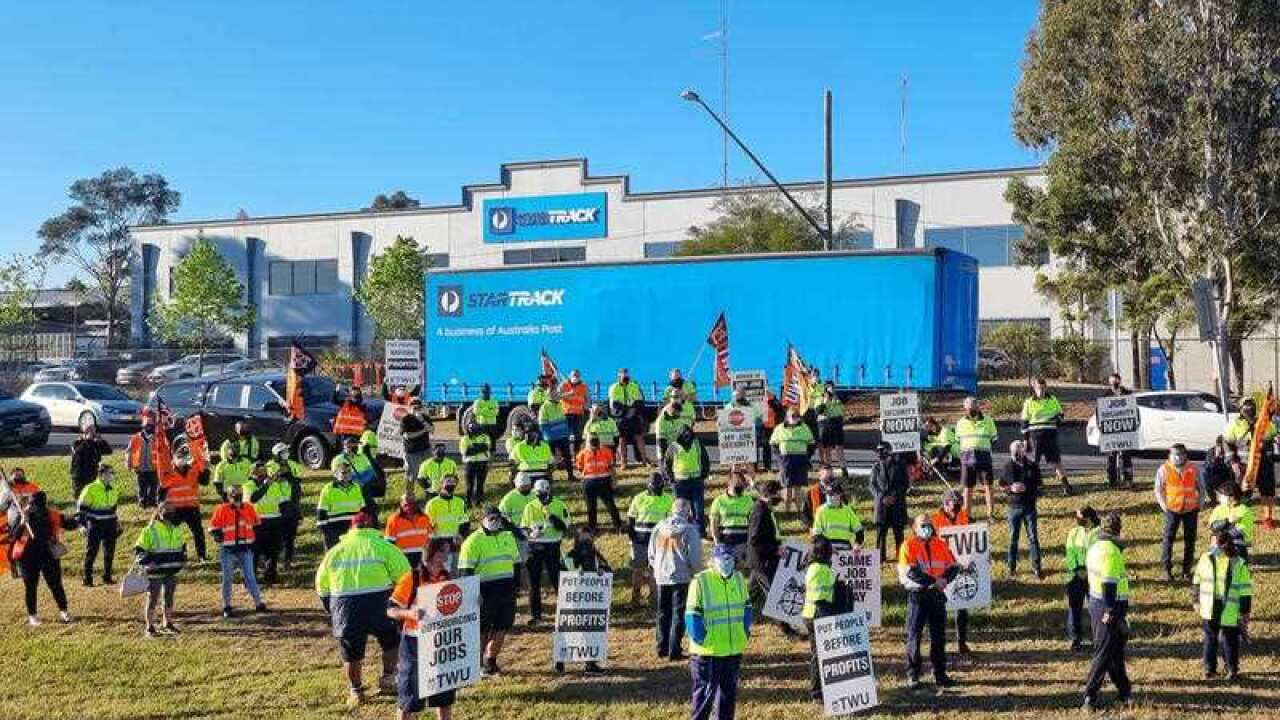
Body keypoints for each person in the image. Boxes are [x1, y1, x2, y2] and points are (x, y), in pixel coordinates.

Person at [315, 510, 411, 708]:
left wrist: (330, 606)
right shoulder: (384, 546)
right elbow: (405, 575)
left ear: (351, 528)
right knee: (390, 641)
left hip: (345, 604)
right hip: (379, 601)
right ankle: (388, 679)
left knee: (351, 652)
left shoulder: (335, 551)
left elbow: (321, 584)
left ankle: (356, 691)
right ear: (371, 526)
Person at [388, 543, 457, 720]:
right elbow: (391, 610)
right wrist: (409, 613)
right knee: (409, 695)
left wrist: (472, 601)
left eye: (447, 554)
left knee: (443, 694)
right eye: (442, 553)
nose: (446, 558)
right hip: (414, 643)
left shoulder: (446, 577)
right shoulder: (411, 578)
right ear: (431, 556)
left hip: (440, 641)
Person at [685, 543, 752, 720]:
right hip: (708, 652)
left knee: (727, 697)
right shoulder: (700, 581)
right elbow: (692, 615)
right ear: (713, 561)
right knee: (704, 698)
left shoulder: (738, 579)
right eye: (722, 559)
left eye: (729, 559)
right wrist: (702, 639)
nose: (726, 562)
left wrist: (745, 632)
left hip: (732, 649)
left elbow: (747, 607)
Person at [898, 513, 959, 689]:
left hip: (936, 596)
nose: (927, 528)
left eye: (929, 524)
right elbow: (910, 572)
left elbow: (954, 567)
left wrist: (944, 580)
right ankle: (913, 675)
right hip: (918, 595)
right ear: (915, 528)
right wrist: (935, 581)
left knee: (939, 637)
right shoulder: (908, 545)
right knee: (914, 636)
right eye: (923, 525)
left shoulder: (940, 544)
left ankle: (940, 674)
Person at [458, 505, 521, 675]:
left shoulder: (508, 536)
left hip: (507, 590)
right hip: (484, 592)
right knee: (482, 630)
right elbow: (465, 571)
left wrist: (517, 586)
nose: (495, 521)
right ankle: (475, 664)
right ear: (483, 520)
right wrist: (471, 594)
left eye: (497, 518)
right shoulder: (472, 541)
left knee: (502, 627)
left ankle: (490, 661)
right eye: (491, 518)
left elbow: (516, 563)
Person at [1082, 512, 1132, 711]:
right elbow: (1109, 584)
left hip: (1096, 602)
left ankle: (1124, 692)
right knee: (1104, 653)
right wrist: (1111, 610)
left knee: (1115, 653)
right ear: (1118, 530)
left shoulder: (1095, 546)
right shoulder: (1111, 551)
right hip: (1109, 606)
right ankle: (1089, 697)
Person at [1193, 527, 1253, 681]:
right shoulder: (1239, 563)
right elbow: (1245, 591)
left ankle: (1209, 669)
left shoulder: (1206, 558)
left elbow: (1196, 580)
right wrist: (1245, 612)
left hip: (1209, 607)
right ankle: (1231, 669)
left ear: (1216, 543)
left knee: (1210, 638)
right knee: (1230, 640)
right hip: (1230, 609)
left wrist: (1195, 600)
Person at [11, 491, 76, 626]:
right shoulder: (22, 515)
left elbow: (69, 524)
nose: (36, 509)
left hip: (48, 554)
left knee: (56, 585)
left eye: (39, 505)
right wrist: (22, 523)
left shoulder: (51, 514)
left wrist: (78, 519)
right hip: (28, 557)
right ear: (29, 503)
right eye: (33, 505)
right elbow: (14, 536)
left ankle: (64, 611)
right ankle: (32, 615)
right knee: (31, 587)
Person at [649, 498, 702, 660]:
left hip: (661, 575)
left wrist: (656, 568)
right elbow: (693, 557)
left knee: (662, 612)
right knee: (679, 612)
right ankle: (674, 649)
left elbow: (651, 553)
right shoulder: (689, 530)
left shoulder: (659, 527)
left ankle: (661, 647)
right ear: (687, 512)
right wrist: (696, 573)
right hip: (681, 575)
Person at [803, 535, 852, 701]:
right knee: (819, 656)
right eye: (829, 550)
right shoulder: (817, 569)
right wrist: (830, 621)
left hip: (821, 614)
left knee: (824, 655)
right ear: (823, 552)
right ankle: (817, 693)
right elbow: (819, 600)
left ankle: (825, 688)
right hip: (817, 615)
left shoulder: (822, 566)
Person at [558, 528, 611, 675]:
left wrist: (603, 572)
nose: (586, 541)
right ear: (577, 539)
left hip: (591, 600)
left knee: (591, 631)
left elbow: (608, 570)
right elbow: (564, 576)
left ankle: (590, 663)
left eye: (589, 538)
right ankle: (560, 659)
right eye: (583, 538)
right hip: (574, 600)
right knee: (569, 631)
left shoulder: (596, 555)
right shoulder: (570, 556)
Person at [209, 484, 268, 617]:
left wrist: (254, 541)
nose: (237, 499)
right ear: (229, 497)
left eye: (239, 496)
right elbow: (212, 527)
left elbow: (257, 525)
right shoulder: (221, 509)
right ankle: (227, 606)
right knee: (228, 578)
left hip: (245, 548)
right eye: (234, 496)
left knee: (250, 577)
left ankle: (259, 603)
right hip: (228, 549)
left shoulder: (248, 508)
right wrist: (218, 536)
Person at [520, 478, 569, 625]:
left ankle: (565, 612)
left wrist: (552, 518)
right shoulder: (530, 506)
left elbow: (565, 527)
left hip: (552, 546)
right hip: (534, 547)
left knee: (557, 580)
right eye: (537, 493)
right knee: (533, 582)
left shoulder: (560, 505)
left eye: (542, 493)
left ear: (548, 491)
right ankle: (536, 615)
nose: (539, 496)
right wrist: (531, 533)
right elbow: (524, 527)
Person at [134, 503, 188, 637]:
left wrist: (182, 561)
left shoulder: (177, 529)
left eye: (172, 510)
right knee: (152, 598)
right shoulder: (150, 530)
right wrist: (148, 562)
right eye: (167, 510)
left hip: (171, 570)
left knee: (169, 598)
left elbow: (182, 548)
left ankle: (167, 622)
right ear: (159, 512)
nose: (170, 512)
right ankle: (149, 626)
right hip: (155, 572)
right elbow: (139, 551)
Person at [1225, 396, 1277, 529]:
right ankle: (1239, 516)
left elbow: (1273, 436)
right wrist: (1233, 462)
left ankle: (1267, 518)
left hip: (1264, 464)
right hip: (1244, 466)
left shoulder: (1264, 421)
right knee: (1241, 492)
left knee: (1268, 492)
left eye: (1251, 405)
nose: (1249, 408)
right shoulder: (1234, 424)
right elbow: (1227, 443)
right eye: (1246, 405)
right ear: (1240, 409)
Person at [746, 479, 791, 634]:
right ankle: (786, 629)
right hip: (762, 561)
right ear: (770, 494)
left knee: (750, 595)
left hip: (760, 560)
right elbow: (754, 539)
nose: (781, 496)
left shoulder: (766, 509)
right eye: (779, 492)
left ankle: (737, 617)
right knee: (774, 593)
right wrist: (774, 550)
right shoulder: (759, 511)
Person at [931, 490, 973, 657]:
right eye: (954, 505)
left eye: (959, 505)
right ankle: (939, 645)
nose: (957, 509)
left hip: (960, 567)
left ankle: (961, 642)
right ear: (946, 504)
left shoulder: (964, 517)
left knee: (962, 607)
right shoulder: (934, 521)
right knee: (939, 608)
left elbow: (973, 538)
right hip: (941, 569)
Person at [1154, 443, 1205, 581]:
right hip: (1172, 510)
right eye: (1174, 454)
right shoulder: (1163, 469)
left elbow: (1201, 488)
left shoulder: (1194, 469)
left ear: (1185, 455)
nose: (1177, 457)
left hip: (1190, 510)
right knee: (1168, 539)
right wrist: (1164, 506)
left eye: (1180, 454)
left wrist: (1199, 504)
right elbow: (1158, 490)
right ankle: (1166, 570)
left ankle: (1187, 571)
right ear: (1169, 455)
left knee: (1190, 540)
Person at [627, 472, 674, 607]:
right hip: (639, 541)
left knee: (655, 570)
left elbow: (669, 522)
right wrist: (632, 539)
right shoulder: (639, 498)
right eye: (655, 487)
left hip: (658, 542)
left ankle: (653, 598)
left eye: (659, 487)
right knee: (638, 570)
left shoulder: (668, 499)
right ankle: (635, 598)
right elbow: (631, 519)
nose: (657, 490)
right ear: (649, 485)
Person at [1021, 377, 1072, 495]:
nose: (1041, 390)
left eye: (1043, 387)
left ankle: (1066, 486)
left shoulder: (1052, 399)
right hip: (1035, 435)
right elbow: (1024, 422)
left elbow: (1061, 415)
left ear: (1046, 387)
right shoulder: (1029, 402)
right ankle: (1036, 487)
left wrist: (1056, 419)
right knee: (1034, 463)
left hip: (1050, 434)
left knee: (1056, 462)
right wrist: (1026, 440)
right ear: (1034, 388)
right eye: (1039, 388)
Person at [1000, 439, 1043, 579]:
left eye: (1018, 451)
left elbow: (1040, 486)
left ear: (1023, 451)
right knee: (1013, 539)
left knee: (1033, 538)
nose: (1015, 454)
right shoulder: (1007, 466)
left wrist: (1028, 489)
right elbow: (1001, 485)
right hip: (1013, 507)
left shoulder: (1032, 466)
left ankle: (1036, 567)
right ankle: (1011, 568)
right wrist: (1010, 488)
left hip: (1029, 506)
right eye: (1013, 452)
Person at [246, 463, 290, 587]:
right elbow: (253, 498)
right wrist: (266, 485)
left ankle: (270, 577)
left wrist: (284, 518)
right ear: (253, 474)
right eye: (259, 472)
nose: (262, 474)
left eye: (264, 472)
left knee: (272, 551)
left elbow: (282, 502)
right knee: (254, 552)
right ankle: (251, 579)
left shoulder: (274, 485)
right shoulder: (248, 485)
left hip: (274, 520)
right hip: (257, 523)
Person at [663, 424, 712, 536]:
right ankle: (681, 532)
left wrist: (704, 474)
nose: (687, 437)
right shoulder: (673, 446)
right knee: (680, 510)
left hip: (696, 481)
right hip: (679, 483)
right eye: (685, 435)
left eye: (689, 435)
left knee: (698, 509)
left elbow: (705, 458)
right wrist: (671, 480)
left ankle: (701, 532)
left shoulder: (697, 443)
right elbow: (667, 464)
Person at [77, 463, 121, 586]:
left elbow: (114, 508)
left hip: (110, 523)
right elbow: (81, 509)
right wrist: (82, 525)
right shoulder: (90, 488)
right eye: (110, 473)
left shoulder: (114, 488)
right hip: (95, 524)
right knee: (91, 552)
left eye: (113, 473)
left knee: (109, 552)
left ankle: (107, 577)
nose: (113, 475)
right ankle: (87, 579)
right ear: (101, 475)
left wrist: (117, 523)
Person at [1064, 505, 1101, 651]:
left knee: (1096, 609)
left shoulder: (1100, 533)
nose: (1078, 521)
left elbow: (1100, 555)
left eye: (1080, 518)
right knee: (1074, 608)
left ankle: (1097, 637)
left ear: (1089, 518)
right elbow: (1069, 553)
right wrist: (1077, 569)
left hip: (1094, 576)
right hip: (1075, 576)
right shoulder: (1074, 532)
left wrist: (1089, 571)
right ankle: (1075, 638)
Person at [955, 396, 998, 519]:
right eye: (968, 407)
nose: (971, 409)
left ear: (978, 407)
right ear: (965, 408)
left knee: (988, 487)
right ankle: (967, 516)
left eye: (973, 406)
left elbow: (994, 439)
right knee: (967, 489)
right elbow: (958, 441)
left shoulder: (988, 420)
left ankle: (991, 515)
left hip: (984, 458)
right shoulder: (960, 423)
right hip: (967, 460)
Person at [160, 454, 208, 562]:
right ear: (174, 459)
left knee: (198, 532)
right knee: (169, 532)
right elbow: (161, 490)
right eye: (179, 457)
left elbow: (205, 481)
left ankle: (202, 556)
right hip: (174, 509)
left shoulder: (194, 470)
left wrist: (205, 469)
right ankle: (169, 555)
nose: (182, 461)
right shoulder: (168, 472)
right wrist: (161, 506)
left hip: (191, 507)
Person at [266, 443, 305, 568]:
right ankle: (274, 560)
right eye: (282, 452)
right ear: (276, 454)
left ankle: (287, 560)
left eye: (286, 451)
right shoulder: (270, 465)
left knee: (291, 535)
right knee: (279, 535)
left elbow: (298, 478)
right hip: (278, 504)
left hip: (292, 503)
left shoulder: (293, 464)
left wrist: (289, 476)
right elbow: (278, 478)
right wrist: (288, 476)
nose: (286, 454)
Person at [871, 442, 911, 562]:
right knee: (880, 534)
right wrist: (882, 497)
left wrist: (894, 496)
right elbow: (872, 485)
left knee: (898, 533)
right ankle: (880, 557)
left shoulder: (900, 465)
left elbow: (905, 484)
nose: (879, 455)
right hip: (881, 505)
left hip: (897, 504)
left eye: (882, 452)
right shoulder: (876, 467)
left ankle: (901, 555)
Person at [771, 408, 815, 514]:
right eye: (792, 415)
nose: (794, 418)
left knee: (798, 487)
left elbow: (811, 444)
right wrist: (780, 459)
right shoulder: (779, 428)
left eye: (796, 415)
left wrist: (806, 457)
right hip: (785, 460)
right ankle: (787, 511)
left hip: (800, 459)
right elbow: (773, 445)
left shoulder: (805, 428)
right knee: (787, 487)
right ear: (787, 416)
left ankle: (799, 511)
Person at [576, 434, 623, 533]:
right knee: (596, 506)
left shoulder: (603, 451)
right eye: (593, 443)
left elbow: (611, 467)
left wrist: (614, 480)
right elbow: (580, 468)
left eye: (595, 443)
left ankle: (614, 526)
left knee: (605, 505)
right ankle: (596, 527)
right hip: (596, 481)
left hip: (597, 481)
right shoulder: (584, 453)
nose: (595, 446)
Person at [424, 476, 470, 572]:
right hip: (440, 542)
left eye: (454, 482)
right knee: (442, 571)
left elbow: (465, 522)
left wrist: (461, 536)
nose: (451, 484)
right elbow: (426, 525)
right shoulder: (432, 503)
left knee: (456, 570)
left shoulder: (460, 502)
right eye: (448, 481)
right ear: (442, 483)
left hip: (456, 541)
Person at [317, 463, 367, 549]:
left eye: (349, 472)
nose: (346, 475)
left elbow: (362, 509)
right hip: (334, 530)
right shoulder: (328, 489)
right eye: (343, 472)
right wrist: (325, 531)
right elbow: (321, 511)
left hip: (353, 528)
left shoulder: (357, 487)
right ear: (336, 474)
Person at [609, 367, 648, 468]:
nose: (626, 376)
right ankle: (623, 462)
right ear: (619, 375)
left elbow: (640, 400)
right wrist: (627, 411)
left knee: (639, 437)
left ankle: (645, 461)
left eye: (627, 374)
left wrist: (633, 410)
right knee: (622, 439)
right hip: (621, 416)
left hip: (634, 415)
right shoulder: (614, 387)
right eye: (623, 374)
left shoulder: (634, 386)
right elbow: (614, 404)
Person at [1100, 374, 1134, 489]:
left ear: (1120, 381)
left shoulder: (1128, 395)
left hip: (1126, 430)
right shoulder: (1105, 396)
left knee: (1126, 456)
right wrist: (1101, 427)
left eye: (1115, 382)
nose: (1114, 385)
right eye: (1111, 383)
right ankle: (1112, 480)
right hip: (1111, 431)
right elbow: (1100, 413)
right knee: (1111, 457)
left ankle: (1128, 479)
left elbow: (1134, 411)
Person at [709, 472, 754, 557]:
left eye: (741, 483)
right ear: (728, 483)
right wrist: (717, 543)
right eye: (736, 482)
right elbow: (713, 524)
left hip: (743, 542)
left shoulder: (749, 500)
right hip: (725, 542)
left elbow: (753, 522)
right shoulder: (718, 501)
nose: (739, 485)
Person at [385, 493, 433, 568]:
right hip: (403, 558)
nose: (410, 507)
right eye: (406, 505)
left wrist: (428, 556)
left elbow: (430, 538)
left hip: (422, 558)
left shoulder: (425, 517)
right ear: (401, 504)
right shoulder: (393, 519)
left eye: (413, 504)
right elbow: (389, 543)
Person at [810, 484, 864, 550]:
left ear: (840, 495)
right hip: (827, 551)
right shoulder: (821, 510)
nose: (830, 497)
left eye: (833, 494)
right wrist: (827, 547)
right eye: (828, 495)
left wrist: (857, 544)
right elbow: (816, 535)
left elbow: (859, 531)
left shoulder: (848, 510)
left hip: (845, 550)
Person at [333, 435, 378, 514]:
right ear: (348, 448)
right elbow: (338, 476)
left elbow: (372, 472)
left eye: (357, 446)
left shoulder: (362, 457)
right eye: (355, 447)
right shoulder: (338, 460)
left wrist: (362, 480)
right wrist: (355, 479)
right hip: (347, 486)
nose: (357, 448)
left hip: (363, 485)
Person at [1208, 481, 1256, 550]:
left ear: (1231, 498)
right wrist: (1227, 521)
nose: (1219, 498)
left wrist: (1222, 527)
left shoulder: (1243, 510)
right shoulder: (1218, 508)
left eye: (1221, 495)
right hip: (1220, 544)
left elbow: (1238, 533)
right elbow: (1212, 526)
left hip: (1239, 545)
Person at [70, 424, 112, 499]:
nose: (92, 434)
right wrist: (87, 440)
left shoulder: (96, 444)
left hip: (92, 473)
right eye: (89, 431)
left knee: (91, 495)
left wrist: (102, 441)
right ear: (83, 433)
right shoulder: (77, 443)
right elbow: (78, 451)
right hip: (79, 475)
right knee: (78, 496)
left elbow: (109, 451)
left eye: (93, 432)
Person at [127, 417, 161, 508]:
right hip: (140, 468)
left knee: (153, 486)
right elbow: (129, 452)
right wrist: (129, 464)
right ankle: (142, 501)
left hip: (153, 468)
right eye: (147, 424)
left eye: (151, 424)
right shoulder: (135, 438)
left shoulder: (157, 438)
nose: (149, 426)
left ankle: (152, 501)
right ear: (143, 425)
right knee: (142, 487)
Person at [401, 398, 435, 485]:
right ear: (409, 408)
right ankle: (410, 495)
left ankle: (429, 492)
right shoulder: (405, 419)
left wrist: (422, 420)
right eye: (414, 407)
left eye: (419, 407)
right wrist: (423, 431)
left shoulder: (425, 417)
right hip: (411, 452)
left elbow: (432, 430)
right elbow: (407, 436)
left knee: (429, 472)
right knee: (411, 475)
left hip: (425, 449)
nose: (417, 409)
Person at [815, 382, 846, 475]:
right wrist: (825, 401)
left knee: (839, 447)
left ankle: (843, 468)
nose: (832, 389)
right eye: (829, 387)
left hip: (837, 423)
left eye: (833, 387)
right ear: (825, 389)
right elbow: (818, 411)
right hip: (826, 424)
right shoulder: (820, 398)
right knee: (827, 449)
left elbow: (842, 408)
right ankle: (828, 469)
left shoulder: (837, 398)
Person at [459, 420, 492, 507]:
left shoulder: (485, 437)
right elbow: (465, 452)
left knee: (480, 484)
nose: (473, 429)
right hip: (470, 464)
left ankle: (479, 502)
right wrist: (480, 447)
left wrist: (473, 448)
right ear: (467, 428)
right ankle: (468, 502)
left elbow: (487, 447)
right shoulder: (465, 438)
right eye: (470, 427)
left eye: (475, 427)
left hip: (482, 463)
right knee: (469, 485)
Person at [559, 368, 590, 457]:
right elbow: (556, 397)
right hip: (566, 414)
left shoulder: (584, 386)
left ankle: (576, 455)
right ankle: (566, 455)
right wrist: (568, 394)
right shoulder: (563, 385)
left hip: (578, 414)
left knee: (578, 436)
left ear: (579, 377)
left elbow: (587, 399)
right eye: (574, 375)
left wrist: (586, 407)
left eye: (577, 375)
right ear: (570, 376)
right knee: (565, 437)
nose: (575, 377)